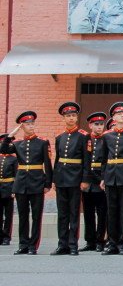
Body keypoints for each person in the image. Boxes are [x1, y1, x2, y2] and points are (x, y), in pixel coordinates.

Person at [1, 111, 53, 255]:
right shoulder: (17, 143)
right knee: (23, 215)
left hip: (37, 181)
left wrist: (48, 183)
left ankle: (33, 245)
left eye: (32, 124)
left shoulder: (42, 142)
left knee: (36, 216)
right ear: (22, 126)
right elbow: (3, 149)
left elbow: (47, 164)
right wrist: (11, 135)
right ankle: (23, 244)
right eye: (27, 124)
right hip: (21, 183)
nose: (31, 126)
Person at [96, 102, 123, 255]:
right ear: (113, 117)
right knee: (111, 210)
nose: (122, 116)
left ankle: (122, 242)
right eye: (119, 114)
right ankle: (112, 242)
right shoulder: (107, 136)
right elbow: (103, 160)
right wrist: (103, 178)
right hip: (110, 176)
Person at [51, 102, 90, 256]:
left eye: (73, 115)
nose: (71, 118)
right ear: (63, 118)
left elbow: (87, 160)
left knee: (74, 212)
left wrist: (85, 179)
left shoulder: (83, 136)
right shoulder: (60, 137)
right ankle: (62, 244)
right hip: (61, 178)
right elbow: (57, 159)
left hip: (75, 178)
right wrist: (54, 179)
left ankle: (73, 244)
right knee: (62, 213)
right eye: (68, 116)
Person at [81, 112, 108, 252]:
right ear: (90, 125)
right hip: (88, 181)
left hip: (101, 180)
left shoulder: (106, 139)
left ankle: (100, 240)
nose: (99, 127)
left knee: (102, 213)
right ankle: (90, 241)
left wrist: (103, 178)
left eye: (101, 124)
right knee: (88, 213)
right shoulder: (85, 139)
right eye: (96, 124)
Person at [0, 133, 15, 246]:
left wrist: (14, 190)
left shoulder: (13, 159)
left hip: (9, 187)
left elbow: (16, 175)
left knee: (8, 214)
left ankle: (6, 236)